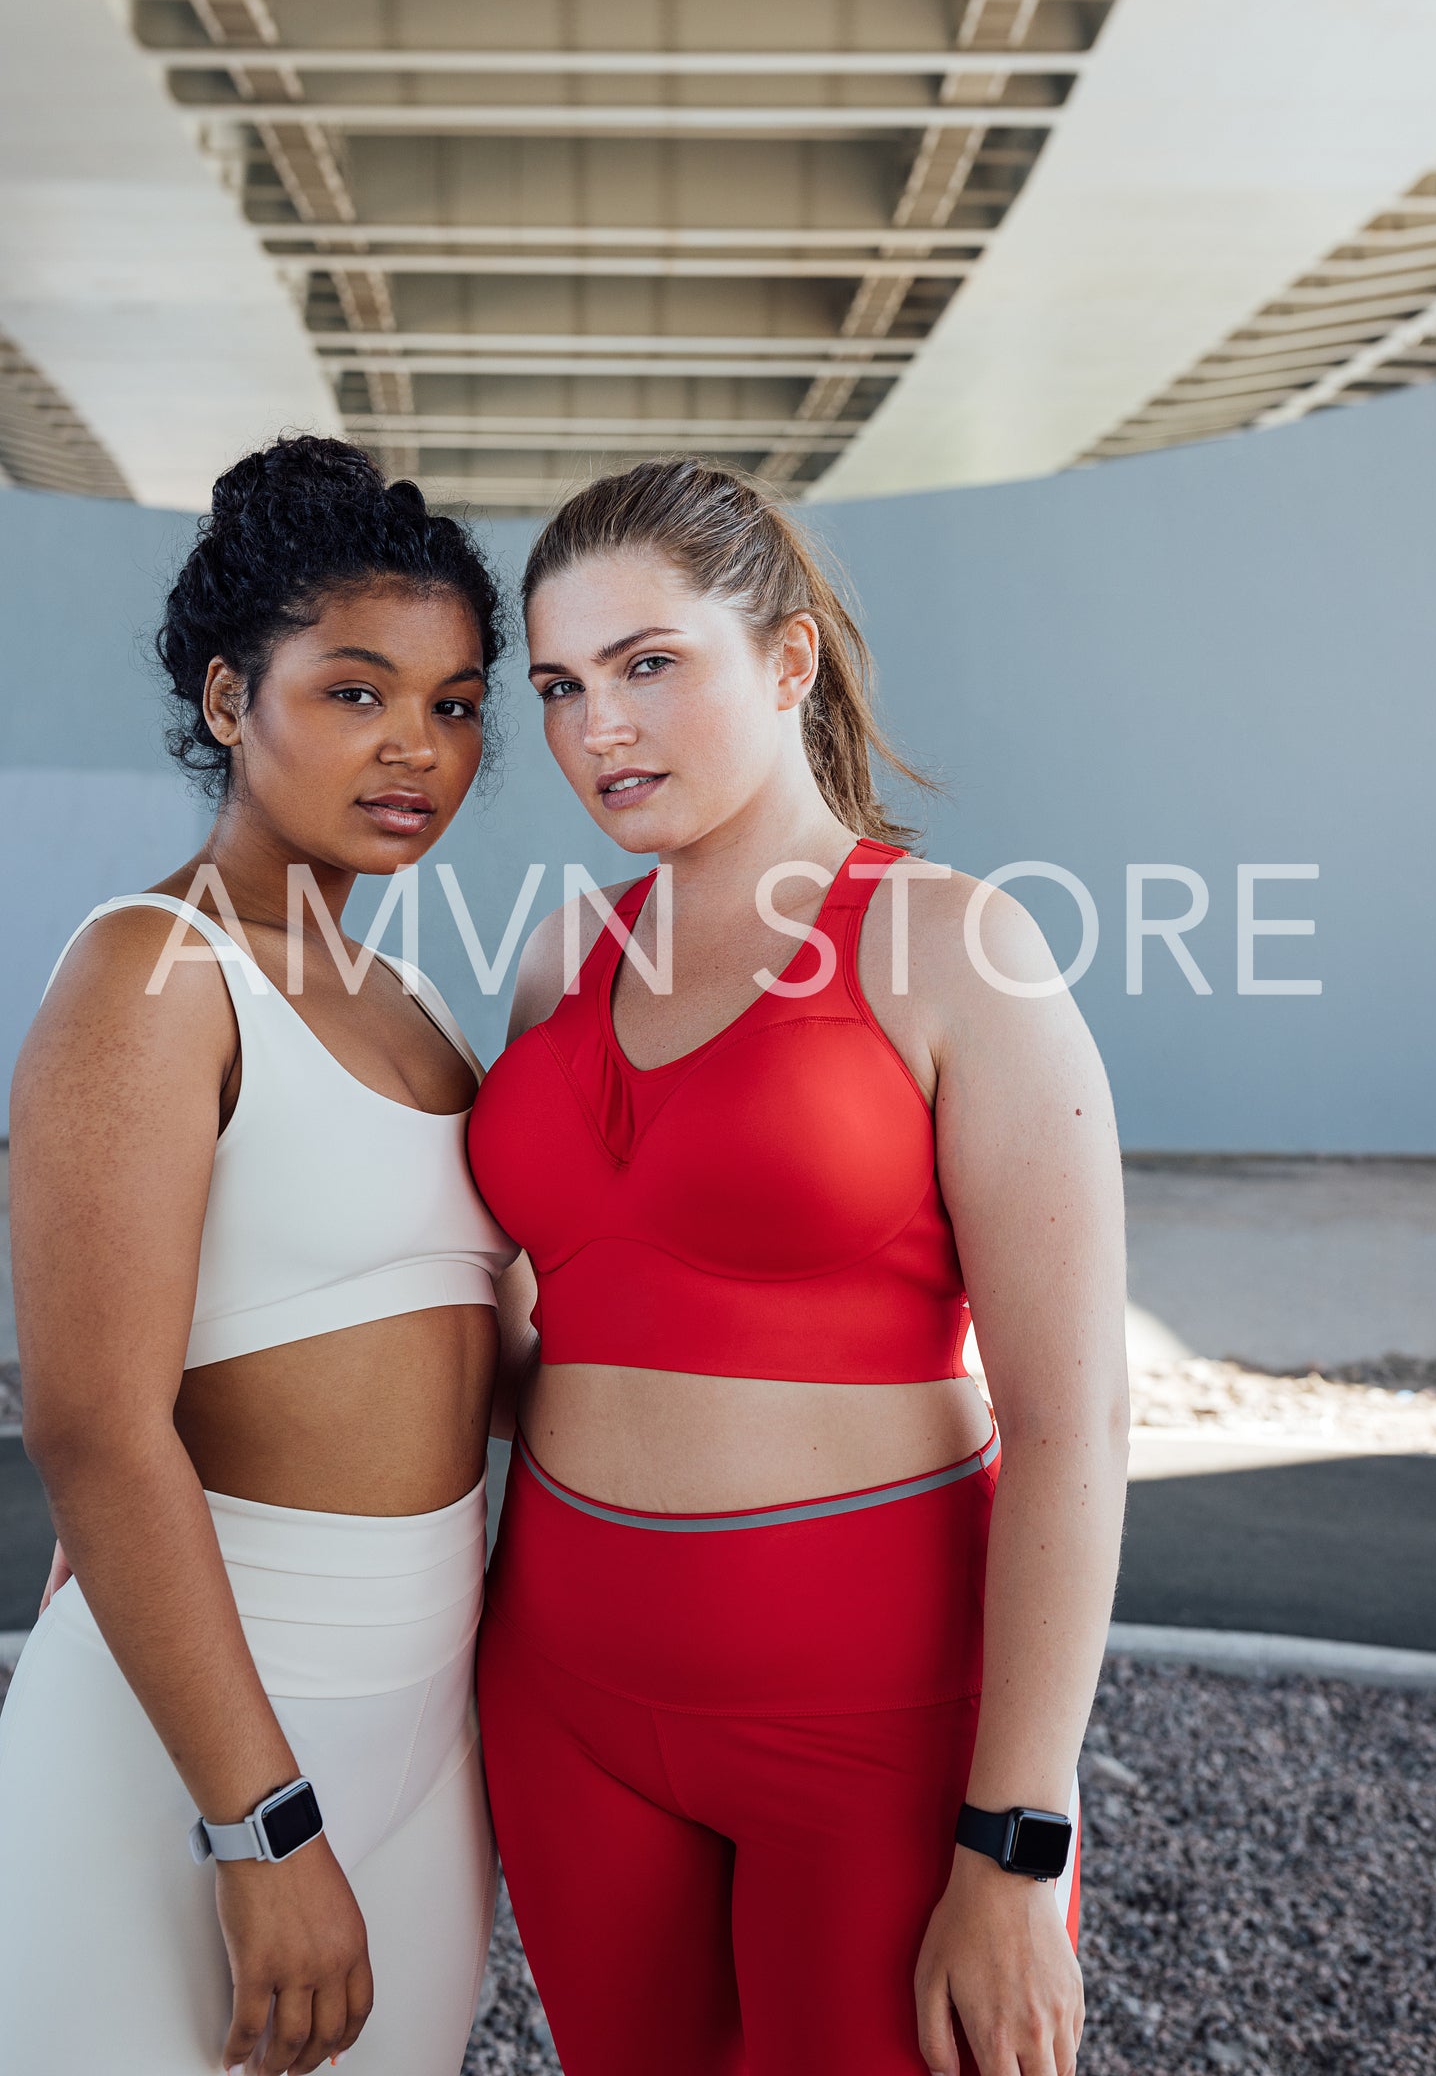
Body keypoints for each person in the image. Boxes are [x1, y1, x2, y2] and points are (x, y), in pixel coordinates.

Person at [467, 458, 1130, 2076]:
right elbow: (494, 1342)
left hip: (869, 1727)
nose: (595, 727)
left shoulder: (958, 948)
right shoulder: (562, 958)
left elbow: (1074, 1425)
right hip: (560, 1698)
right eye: (558, 686)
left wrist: (1017, 1840)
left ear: (784, 661)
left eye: (647, 664)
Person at [0, 438, 524, 2076]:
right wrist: (261, 1826)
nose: (416, 750)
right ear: (231, 700)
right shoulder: (150, 974)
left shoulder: (420, 1005)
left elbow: (478, 1372)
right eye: (356, 691)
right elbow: (90, 1420)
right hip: (203, 1754)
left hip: (422, 1736)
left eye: (451, 703)